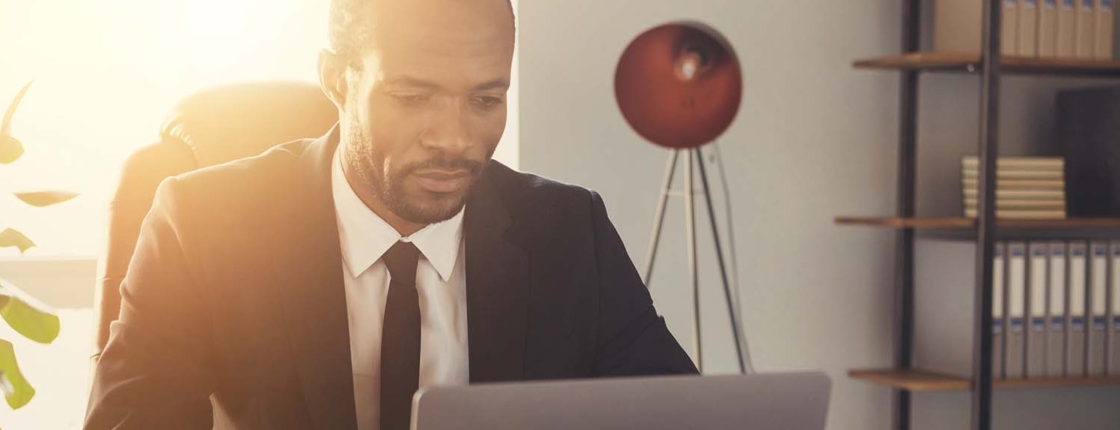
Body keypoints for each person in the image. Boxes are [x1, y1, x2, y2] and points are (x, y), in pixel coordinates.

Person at [83, 0, 697, 428]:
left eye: (485, 99)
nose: (455, 139)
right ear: (336, 80)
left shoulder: (569, 230)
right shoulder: (202, 224)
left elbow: (682, 415)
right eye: (413, 97)